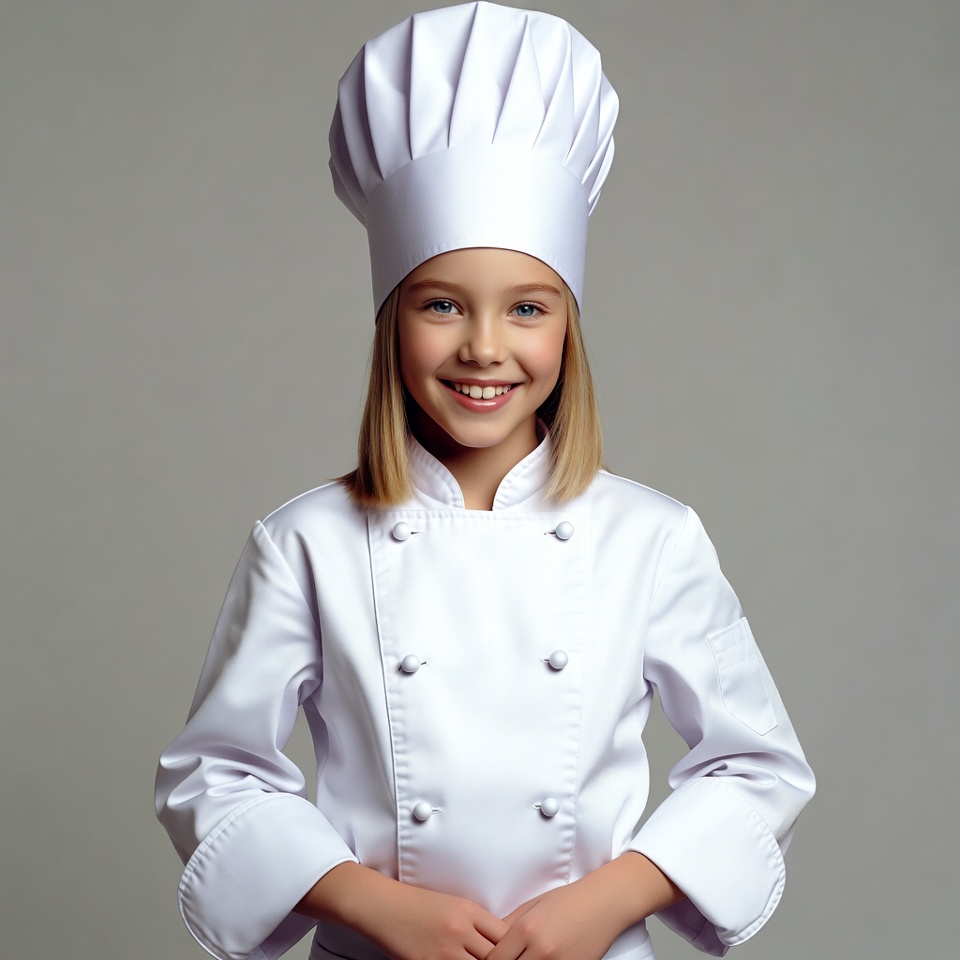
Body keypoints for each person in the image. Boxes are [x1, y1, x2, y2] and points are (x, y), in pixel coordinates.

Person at [155, 5, 816, 960]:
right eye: (441, 304)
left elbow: (757, 767)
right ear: (391, 321)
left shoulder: (652, 538)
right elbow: (214, 774)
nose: (484, 347)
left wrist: (605, 902)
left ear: (568, 327)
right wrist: (376, 905)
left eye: (527, 309)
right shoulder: (306, 543)